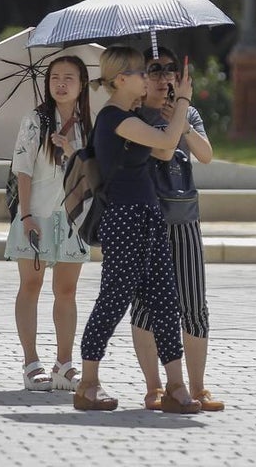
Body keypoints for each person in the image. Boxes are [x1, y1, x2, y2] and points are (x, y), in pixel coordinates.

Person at [73, 46, 200, 414]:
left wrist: (172, 114)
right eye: (142, 73)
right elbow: (163, 143)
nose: (150, 78)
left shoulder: (131, 117)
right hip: (125, 219)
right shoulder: (113, 117)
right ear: (121, 79)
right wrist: (183, 103)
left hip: (147, 216)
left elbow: (162, 152)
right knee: (113, 299)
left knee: (165, 301)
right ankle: (87, 383)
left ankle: (175, 386)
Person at [130, 47, 224, 412]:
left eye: (170, 69)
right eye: (154, 69)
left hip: (185, 219)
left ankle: (197, 387)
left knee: (194, 305)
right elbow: (164, 152)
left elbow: (206, 154)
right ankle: (155, 388)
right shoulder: (133, 115)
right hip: (147, 220)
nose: (164, 76)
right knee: (145, 308)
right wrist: (173, 122)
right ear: (141, 75)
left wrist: (183, 120)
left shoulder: (189, 113)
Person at [4, 56, 93, 393]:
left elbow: (92, 176)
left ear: (82, 84)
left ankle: (64, 364)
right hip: (37, 214)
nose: (61, 83)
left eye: (69, 77)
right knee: (31, 285)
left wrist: (71, 150)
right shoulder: (35, 120)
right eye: (55, 77)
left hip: (73, 219)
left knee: (66, 291)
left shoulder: (89, 126)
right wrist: (25, 215)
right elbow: (22, 169)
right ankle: (31, 363)